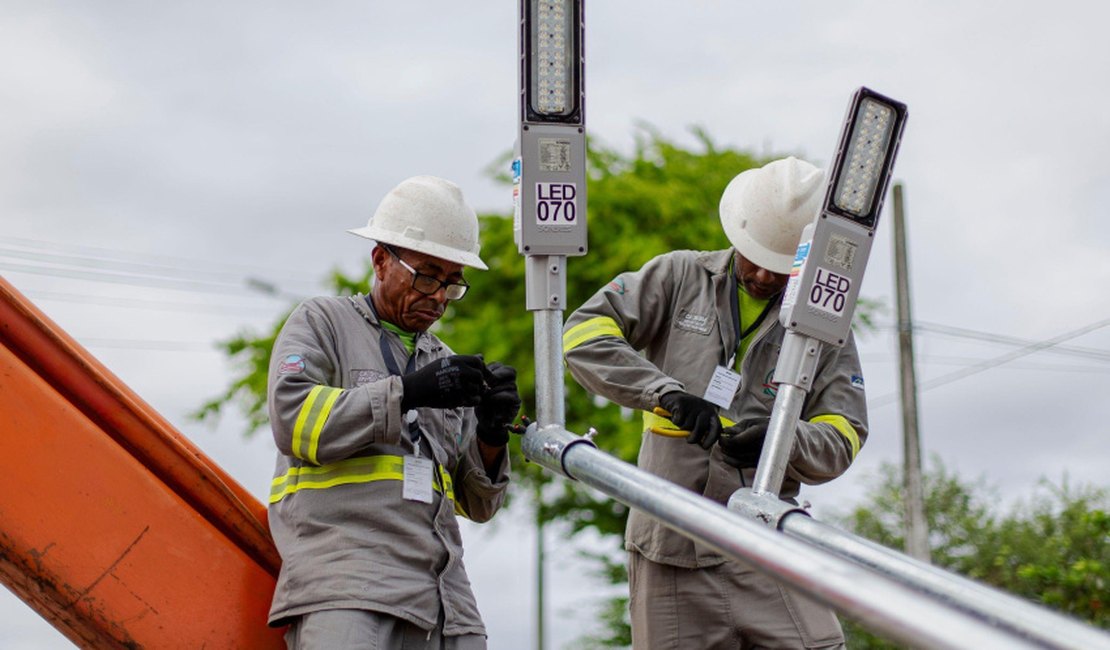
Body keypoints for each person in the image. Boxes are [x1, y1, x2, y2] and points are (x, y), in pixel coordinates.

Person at [562, 157, 867, 649]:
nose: (765, 277)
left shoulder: (823, 329)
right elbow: (583, 334)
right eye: (756, 260)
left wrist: (781, 440)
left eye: (781, 267)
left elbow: (844, 434)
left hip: (766, 545)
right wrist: (665, 394)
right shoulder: (680, 275)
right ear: (738, 235)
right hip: (671, 549)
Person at [266, 175, 522, 650]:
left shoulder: (440, 359)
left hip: (445, 600)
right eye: (427, 275)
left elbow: (479, 504)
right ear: (381, 260)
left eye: (452, 282)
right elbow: (292, 419)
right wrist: (406, 391)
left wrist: (491, 434)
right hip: (350, 581)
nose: (440, 296)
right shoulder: (323, 323)